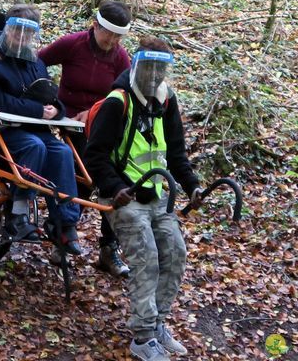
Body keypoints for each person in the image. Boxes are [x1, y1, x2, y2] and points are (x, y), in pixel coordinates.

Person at [84, 37, 203, 361]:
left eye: (161, 69)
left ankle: (158, 323)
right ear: (138, 65)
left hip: (158, 196)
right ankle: (143, 336)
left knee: (175, 253)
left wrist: (191, 185)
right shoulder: (117, 101)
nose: (155, 75)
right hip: (124, 198)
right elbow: (94, 154)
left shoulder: (166, 101)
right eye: (150, 67)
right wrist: (113, 187)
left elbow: (176, 152)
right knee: (146, 259)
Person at [0, 4, 82, 255]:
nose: (22, 37)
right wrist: (37, 110)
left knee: (61, 152)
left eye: (27, 33)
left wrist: (56, 110)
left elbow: (51, 94)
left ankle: (64, 222)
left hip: (30, 129)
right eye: (17, 30)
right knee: (34, 146)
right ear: (7, 29)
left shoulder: (34, 61)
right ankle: (17, 215)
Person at [38, 0, 131, 276]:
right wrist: (51, 100)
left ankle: (108, 247)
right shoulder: (73, 44)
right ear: (95, 26)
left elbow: (122, 93)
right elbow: (38, 62)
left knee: (108, 179)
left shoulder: (120, 58)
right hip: (70, 123)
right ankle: (63, 234)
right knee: (79, 175)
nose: (112, 40)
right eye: (108, 33)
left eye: (118, 36)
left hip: (101, 125)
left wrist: (92, 112)